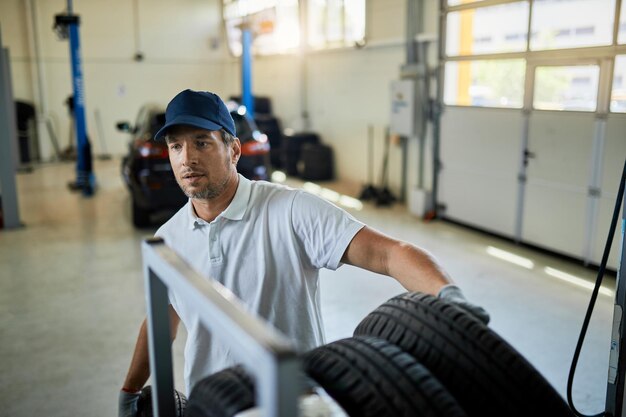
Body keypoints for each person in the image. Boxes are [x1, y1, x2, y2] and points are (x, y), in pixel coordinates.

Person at [119, 89, 489, 417]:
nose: (187, 159)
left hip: (294, 403)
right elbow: (159, 323)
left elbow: (390, 254)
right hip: (213, 404)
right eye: (176, 146)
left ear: (233, 150)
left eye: (202, 142)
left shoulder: (291, 210)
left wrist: (449, 301)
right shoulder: (169, 238)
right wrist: (130, 391)